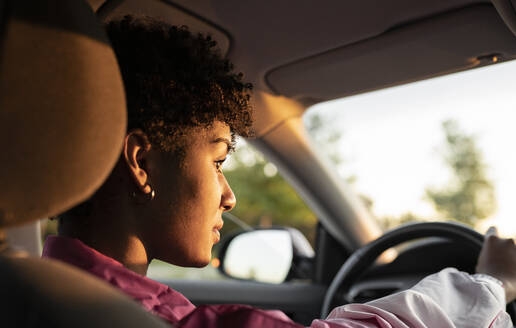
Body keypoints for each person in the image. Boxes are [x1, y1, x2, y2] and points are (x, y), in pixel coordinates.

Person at [43, 15, 516, 328]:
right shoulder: (155, 320)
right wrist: (494, 284)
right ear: (143, 162)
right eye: (218, 161)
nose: (229, 197)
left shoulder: (34, 289)